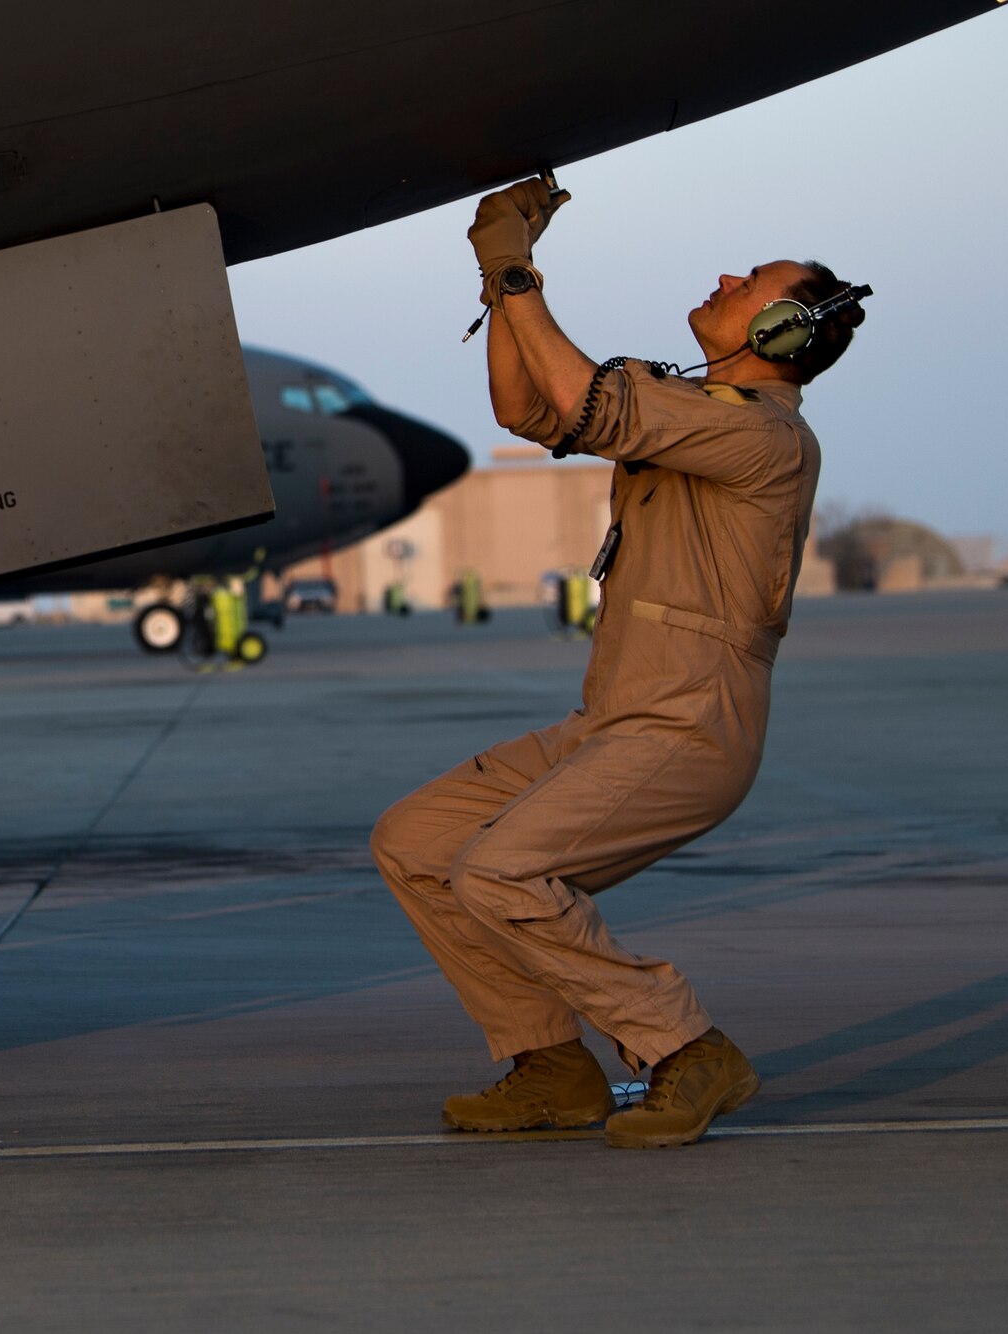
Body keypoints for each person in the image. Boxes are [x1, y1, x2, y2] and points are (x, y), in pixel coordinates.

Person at [369, 178, 865, 1148]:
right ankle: (547, 1059)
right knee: (416, 840)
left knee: (502, 872)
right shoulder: (696, 408)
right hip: (614, 719)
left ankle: (683, 1046)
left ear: (774, 330)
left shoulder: (759, 433)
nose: (723, 277)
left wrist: (514, 266)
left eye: (747, 280)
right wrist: (492, 264)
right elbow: (529, 407)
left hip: (686, 727)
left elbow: (580, 399)